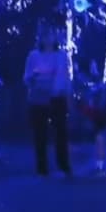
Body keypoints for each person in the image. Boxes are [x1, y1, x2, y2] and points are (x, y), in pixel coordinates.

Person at [23, 24, 72, 177]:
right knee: (40, 133)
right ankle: (42, 166)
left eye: (51, 35)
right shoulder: (34, 56)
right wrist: (33, 79)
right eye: (45, 36)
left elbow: (64, 76)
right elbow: (27, 76)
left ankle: (63, 164)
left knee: (60, 131)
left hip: (57, 97)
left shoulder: (61, 55)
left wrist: (63, 91)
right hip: (38, 97)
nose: (49, 39)